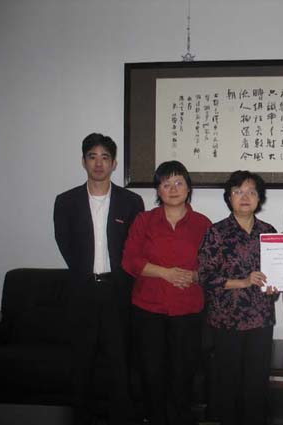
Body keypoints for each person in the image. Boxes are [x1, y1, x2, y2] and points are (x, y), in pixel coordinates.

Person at [53, 133, 145, 425]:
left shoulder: (131, 201)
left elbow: (135, 246)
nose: (98, 163)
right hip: (82, 291)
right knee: (81, 360)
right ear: (83, 161)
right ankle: (81, 416)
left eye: (105, 157)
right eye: (92, 156)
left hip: (117, 291)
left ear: (114, 163)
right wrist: (84, 274)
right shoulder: (66, 201)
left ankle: (123, 416)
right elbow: (65, 244)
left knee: (120, 360)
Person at [121, 160, 211, 425]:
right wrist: (166, 273)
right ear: (158, 190)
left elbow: (212, 266)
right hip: (148, 310)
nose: (173, 189)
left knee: (183, 375)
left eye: (179, 183)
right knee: (152, 374)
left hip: (188, 310)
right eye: (166, 184)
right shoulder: (144, 220)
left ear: (188, 188)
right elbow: (129, 260)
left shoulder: (203, 223)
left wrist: (194, 276)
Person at [198, 170, 278, 425]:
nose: (245, 197)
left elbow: (276, 276)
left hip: (260, 321)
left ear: (259, 198)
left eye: (251, 192)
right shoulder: (216, 232)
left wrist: (275, 286)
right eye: (238, 192)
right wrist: (243, 281)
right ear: (229, 197)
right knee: (227, 384)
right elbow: (205, 277)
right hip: (226, 322)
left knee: (256, 384)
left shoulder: (269, 232)